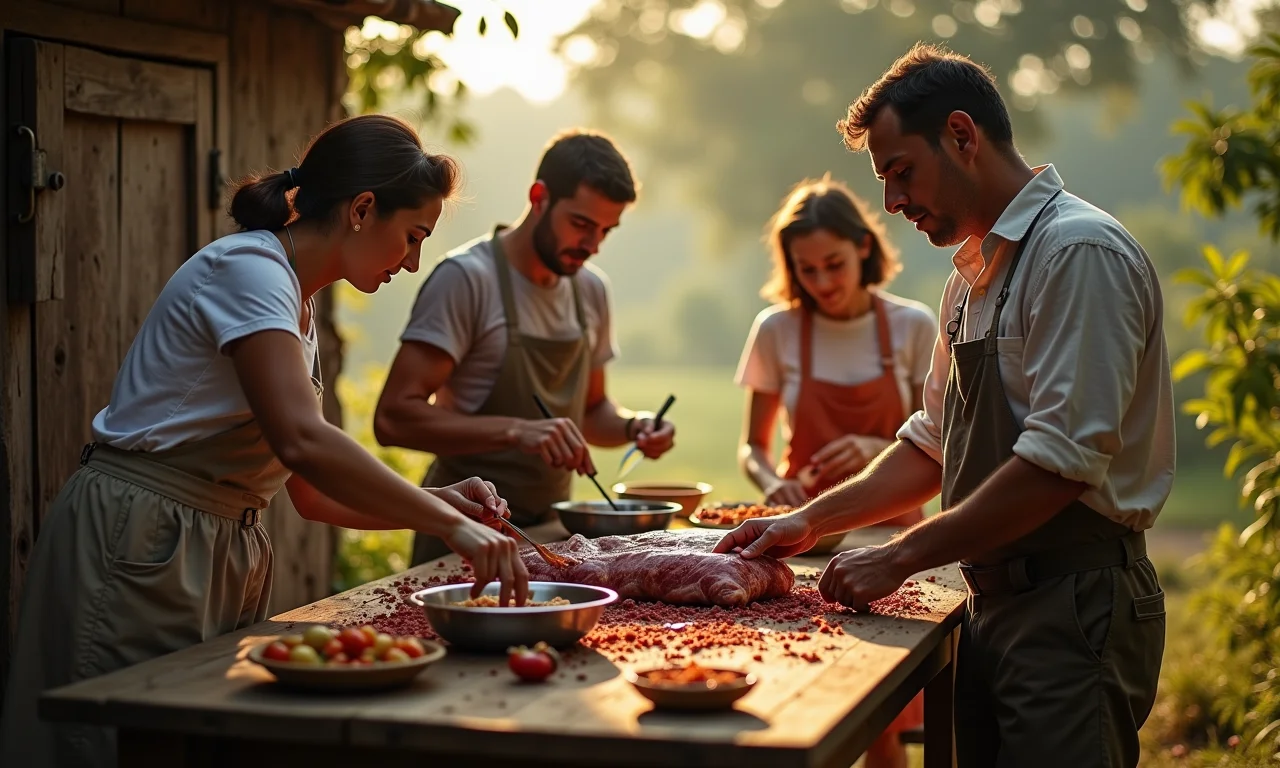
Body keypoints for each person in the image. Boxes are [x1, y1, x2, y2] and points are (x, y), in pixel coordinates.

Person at [0, 114, 528, 768]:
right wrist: (449, 522)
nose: (414, 262)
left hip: (217, 547)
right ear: (363, 209)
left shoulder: (298, 308)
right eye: (413, 236)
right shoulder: (249, 271)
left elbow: (310, 494)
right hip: (139, 540)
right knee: (108, 746)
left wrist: (446, 505)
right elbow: (305, 440)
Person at [716, 44, 1172, 767]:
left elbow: (1061, 464)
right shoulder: (970, 278)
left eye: (901, 172)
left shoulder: (1078, 253)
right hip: (987, 600)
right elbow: (934, 443)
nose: (892, 202)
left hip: (1073, 604)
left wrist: (900, 556)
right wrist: (808, 520)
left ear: (962, 135)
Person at [375, 129, 677, 565]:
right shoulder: (466, 280)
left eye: (606, 231)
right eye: (581, 224)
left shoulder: (590, 290)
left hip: (553, 536)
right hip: (463, 537)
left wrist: (635, 427)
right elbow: (393, 418)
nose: (591, 246)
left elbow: (592, 415)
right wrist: (518, 431)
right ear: (540, 197)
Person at [734, 175, 934, 766]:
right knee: (791, 690)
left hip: (889, 536)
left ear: (864, 248)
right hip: (796, 539)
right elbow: (752, 446)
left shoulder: (913, 326)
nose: (821, 282)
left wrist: (876, 443)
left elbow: (943, 437)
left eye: (833, 264)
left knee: (882, 715)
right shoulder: (776, 330)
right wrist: (773, 483)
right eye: (807, 270)